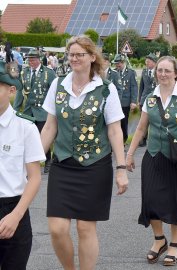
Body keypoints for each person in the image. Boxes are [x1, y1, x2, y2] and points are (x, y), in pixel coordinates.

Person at [40, 35, 129, 270]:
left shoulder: (106, 89)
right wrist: (34, 162)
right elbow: (50, 126)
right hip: (63, 164)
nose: (75, 58)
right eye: (71, 54)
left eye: (80, 54)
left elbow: (114, 130)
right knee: (57, 228)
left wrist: (121, 168)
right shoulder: (57, 85)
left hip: (95, 166)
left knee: (85, 228)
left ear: (92, 57)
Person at [126, 56, 177, 266]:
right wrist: (129, 154)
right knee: (151, 200)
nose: (163, 74)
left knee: (174, 202)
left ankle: (174, 246)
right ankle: (159, 240)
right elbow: (141, 128)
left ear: (176, 73)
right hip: (153, 155)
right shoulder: (150, 97)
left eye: (167, 71)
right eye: (160, 70)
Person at [0, 61, 45, 269]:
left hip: (12, 210)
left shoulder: (25, 127)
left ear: (11, 90)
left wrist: (15, 216)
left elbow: (35, 177)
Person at [13, 49, 56, 174]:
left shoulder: (48, 73)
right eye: (29, 59)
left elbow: (54, 92)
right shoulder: (24, 73)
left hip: (43, 111)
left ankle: (48, 160)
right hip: (28, 111)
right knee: (26, 137)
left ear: (39, 60)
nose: (30, 62)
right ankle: (29, 162)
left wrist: (53, 110)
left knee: (43, 136)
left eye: (33, 59)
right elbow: (20, 92)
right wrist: (15, 109)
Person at [113, 54, 138, 144]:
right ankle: (117, 140)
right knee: (116, 122)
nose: (117, 65)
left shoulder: (131, 73)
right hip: (116, 103)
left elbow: (134, 87)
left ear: (123, 62)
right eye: (116, 64)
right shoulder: (114, 72)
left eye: (118, 63)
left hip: (125, 103)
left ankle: (123, 140)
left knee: (124, 122)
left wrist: (133, 101)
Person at [138, 53, 158, 147]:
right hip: (144, 99)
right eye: (146, 61)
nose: (146, 63)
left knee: (155, 120)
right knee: (143, 121)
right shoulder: (144, 71)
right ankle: (142, 139)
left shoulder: (158, 72)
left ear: (154, 62)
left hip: (155, 99)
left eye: (148, 62)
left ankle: (155, 139)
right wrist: (139, 100)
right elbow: (141, 86)